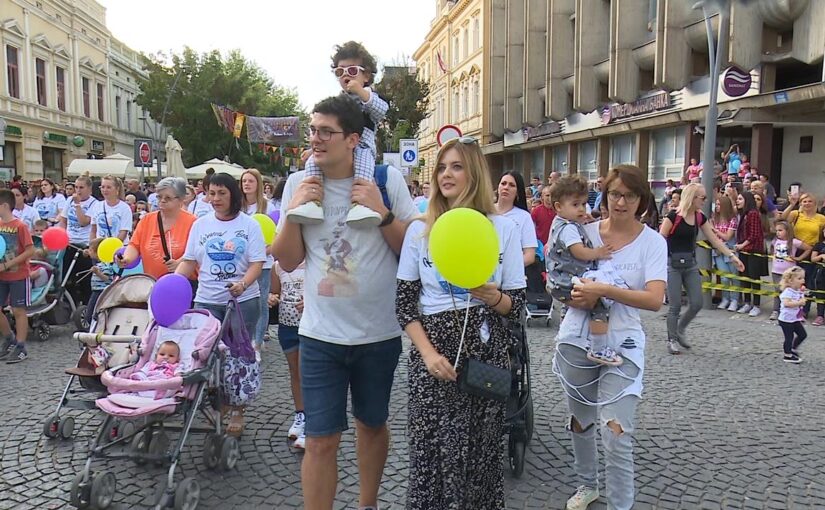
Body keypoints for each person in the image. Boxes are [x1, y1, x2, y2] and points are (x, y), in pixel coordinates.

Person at [273, 95, 416, 510]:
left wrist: (383, 213)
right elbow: (287, 258)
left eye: (325, 131)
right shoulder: (300, 184)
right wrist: (293, 212)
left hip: (379, 332)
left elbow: (411, 251)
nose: (315, 139)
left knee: (372, 425)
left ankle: (366, 504)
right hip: (319, 335)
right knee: (320, 439)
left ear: (353, 139)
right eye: (312, 129)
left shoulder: (386, 181)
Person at [396, 137, 526, 509]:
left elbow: (517, 307)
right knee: (431, 454)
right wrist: (428, 355)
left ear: (474, 173)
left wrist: (491, 296)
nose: (446, 175)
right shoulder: (419, 231)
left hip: (485, 355)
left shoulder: (503, 230)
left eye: (456, 166)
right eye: (441, 167)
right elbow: (405, 303)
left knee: (480, 456)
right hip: (433, 355)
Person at [552, 164, 666, 510]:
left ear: (641, 199)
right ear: (605, 195)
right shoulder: (583, 231)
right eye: (615, 194)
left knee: (617, 433)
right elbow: (555, 275)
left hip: (624, 342)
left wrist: (604, 290)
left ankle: (621, 504)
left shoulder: (653, 242)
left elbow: (654, 300)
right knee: (581, 420)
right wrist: (574, 295)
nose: (620, 202)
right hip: (577, 336)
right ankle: (587, 485)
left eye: (629, 195)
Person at [175, 172, 266, 436]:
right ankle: (217, 400)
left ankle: (238, 410)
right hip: (206, 299)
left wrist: (243, 285)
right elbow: (189, 260)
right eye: (211, 193)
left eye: (221, 193)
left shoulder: (249, 225)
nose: (215, 199)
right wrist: (171, 282)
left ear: (233, 195)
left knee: (239, 356)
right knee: (205, 354)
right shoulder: (200, 225)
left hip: (241, 302)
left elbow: (257, 263)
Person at [287, 41, 389, 228]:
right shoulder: (340, 101)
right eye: (339, 72)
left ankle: (360, 203)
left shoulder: (368, 95)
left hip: (363, 145)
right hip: (338, 145)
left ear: (366, 75)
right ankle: (313, 201)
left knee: (363, 167)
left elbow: (381, 111)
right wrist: (314, 149)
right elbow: (328, 130)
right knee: (312, 163)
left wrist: (361, 92)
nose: (345, 77)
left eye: (351, 71)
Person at [547, 175, 623, 366]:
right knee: (599, 304)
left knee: (573, 308)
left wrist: (581, 221)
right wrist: (598, 252)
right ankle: (598, 349)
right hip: (566, 281)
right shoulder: (568, 229)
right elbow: (578, 252)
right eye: (575, 205)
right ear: (558, 207)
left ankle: (566, 337)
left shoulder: (563, 223)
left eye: (583, 204)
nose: (581, 209)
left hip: (560, 281)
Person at [660, 183, 743, 354]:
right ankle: (672, 339)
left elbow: (715, 240)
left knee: (697, 303)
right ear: (692, 197)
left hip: (690, 263)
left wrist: (732, 256)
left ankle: (680, 329)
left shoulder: (699, 217)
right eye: (703, 198)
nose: (705, 201)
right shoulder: (673, 216)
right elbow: (660, 240)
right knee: (675, 305)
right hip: (671, 263)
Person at [117, 178, 197, 281]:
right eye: (159, 197)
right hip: (152, 282)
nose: (162, 200)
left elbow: (196, 252)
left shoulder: (193, 222)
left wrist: (180, 263)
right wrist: (126, 259)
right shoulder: (147, 220)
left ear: (181, 199)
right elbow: (135, 245)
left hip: (182, 282)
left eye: (168, 198)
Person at [269, 259, 306, 448]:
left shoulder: (315, 261)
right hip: (287, 326)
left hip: (309, 326)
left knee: (307, 372)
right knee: (295, 372)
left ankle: (313, 422)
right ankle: (300, 414)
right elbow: (274, 292)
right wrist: (272, 298)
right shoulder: (278, 266)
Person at [241, 168, 278, 351]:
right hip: (241, 262)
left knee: (261, 301)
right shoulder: (238, 206)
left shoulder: (268, 207)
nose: (246, 184)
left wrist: (266, 252)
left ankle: (257, 342)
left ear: (258, 184)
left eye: (250, 181)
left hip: (263, 262)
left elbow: (276, 235)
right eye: (244, 181)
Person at [0, 190, 35, 363]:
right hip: (1, 276)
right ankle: (8, 338)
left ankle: (21, 346)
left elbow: (30, 250)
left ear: (5, 206)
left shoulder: (20, 226)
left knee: (18, 310)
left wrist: (8, 264)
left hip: (18, 275)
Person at [783, 192, 825, 318]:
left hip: (813, 251)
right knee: (793, 280)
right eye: (804, 201)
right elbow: (782, 220)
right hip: (796, 249)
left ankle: (805, 309)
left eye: (809, 201)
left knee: (809, 282)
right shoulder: (796, 214)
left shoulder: (821, 218)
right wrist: (792, 204)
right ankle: (793, 306)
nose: (807, 204)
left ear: (815, 203)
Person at [59, 176, 97, 312]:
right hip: (69, 243)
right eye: (76, 187)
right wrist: (61, 235)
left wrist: (77, 205)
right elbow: (63, 220)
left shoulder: (94, 204)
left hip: (84, 245)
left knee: (84, 279)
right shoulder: (69, 200)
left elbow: (83, 221)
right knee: (67, 277)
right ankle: (70, 305)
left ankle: (86, 307)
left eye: (81, 187)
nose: (78, 190)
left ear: (89, 189)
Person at [734, 191, 769, 317]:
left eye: (740, 199)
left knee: (754, 278)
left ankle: (756, 305)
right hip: (744, 250)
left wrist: (742, 245)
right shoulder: (744, 214)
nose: (737, 201)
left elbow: (754, 234)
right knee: (745, 276)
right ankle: (747, 302)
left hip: (753, 250)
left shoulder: (753, 213)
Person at [770, 221, 809, 321]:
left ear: (787, 231)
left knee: (789, 292)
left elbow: (808, 248)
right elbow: (772, 250)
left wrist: (799, 258)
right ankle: (776, 310)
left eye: (780, 230)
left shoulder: (794, 242)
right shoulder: (775, 241)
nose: (778, 232)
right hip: (776, 270)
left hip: (789, 272)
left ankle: (792, 310)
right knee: (777, 291)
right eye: (777, 230)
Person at [495, 171, 537, 266]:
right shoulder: (485, 212)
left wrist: (505, 266)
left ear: (517, 191)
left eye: (512, 185)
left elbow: (529, 256)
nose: (506, 187)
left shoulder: (524, 217)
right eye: (503, 183)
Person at [711, 195, 741, 311]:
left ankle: (734, 300)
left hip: (729, 250)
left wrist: (715, 231)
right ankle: (725, 298)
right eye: (716, 204)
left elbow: (728, 236)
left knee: (733, 276)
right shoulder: (715, 219)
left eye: (719, 204)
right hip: (718, 251)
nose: (717, 207)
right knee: (723, 277)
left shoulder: (732, 220)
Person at [89, 175, 132, 242]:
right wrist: (92, 246)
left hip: (118, 247)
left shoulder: (124, 208)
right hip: (100, 247)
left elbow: (123, 232)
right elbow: (93, 230)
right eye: (103, 187)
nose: (105, 190)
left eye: (108, 187)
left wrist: (111, 246)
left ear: (117, 189)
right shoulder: (97, 205)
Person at [777, 266, 807, 363]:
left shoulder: (798, 291)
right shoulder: (788, 292)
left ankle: (793, 349)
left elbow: (799, 305)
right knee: (788, 337)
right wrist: (799, 303)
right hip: (786, 320)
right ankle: (787, 355)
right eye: (799, 278)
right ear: (790, 281)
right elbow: (786, 304)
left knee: (802, 334)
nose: (802, 280)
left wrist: (801, 314)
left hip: (794, 318)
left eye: (803, 278)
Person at [86, 237, 115, 324]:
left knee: (92, 312)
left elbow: (107, 279)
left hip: (101, 291)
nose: (88, 251)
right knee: (91, 311)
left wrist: (97, 272)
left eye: (90, 250)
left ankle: (94, 326)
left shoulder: (106, 264)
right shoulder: (99, 263)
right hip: (95, 290)